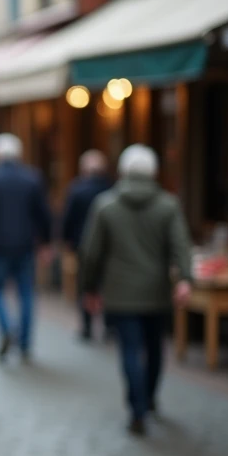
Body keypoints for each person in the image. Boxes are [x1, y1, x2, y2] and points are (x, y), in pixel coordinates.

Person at [79, 145, 192, 436]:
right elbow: (181, 246)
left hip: (121, 293)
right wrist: (185, 279)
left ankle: (137, 408)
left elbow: (91, 253)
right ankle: (150, 397)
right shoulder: (168, 205)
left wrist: (89, 287)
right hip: (156, 291)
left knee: (130, 349)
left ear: (123, 171)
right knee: (155, 347)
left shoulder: (106, 205)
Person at [0, 133, 52, 360]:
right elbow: (43, 215)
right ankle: (25, 343)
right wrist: (46, 243)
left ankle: (7, 328)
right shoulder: (32, 178)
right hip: (25, 245)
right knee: (26, 293)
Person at [62, 149, 113, 340]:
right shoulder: (111, 188)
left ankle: (87, 326)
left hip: (83, 243)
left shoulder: (77, 189)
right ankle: (109, 325)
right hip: (109, 245)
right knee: (107, 284)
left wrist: (67, 240)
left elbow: (69, 217)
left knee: (85, 284)